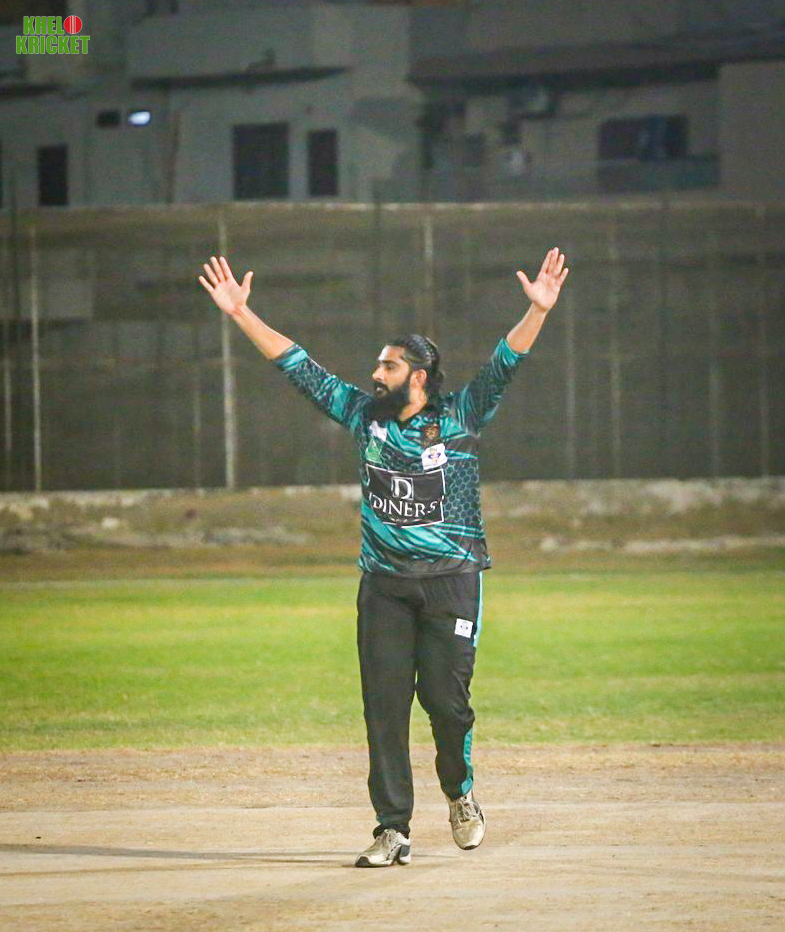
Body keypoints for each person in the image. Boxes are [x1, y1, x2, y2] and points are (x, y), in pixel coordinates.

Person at [198, 247, 569, 867]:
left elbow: (505, 363)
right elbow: (297, 365)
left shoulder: (460, 416)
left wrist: (538, 311)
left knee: (447, 705)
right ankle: (393, 828)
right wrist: (241, 314)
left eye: (388, 365)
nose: (376, 373)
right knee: (384, 708)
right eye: (377, 364)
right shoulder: (361, 415)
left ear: (418, 376)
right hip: (384, 587)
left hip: (452, 581)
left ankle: (461, 794)